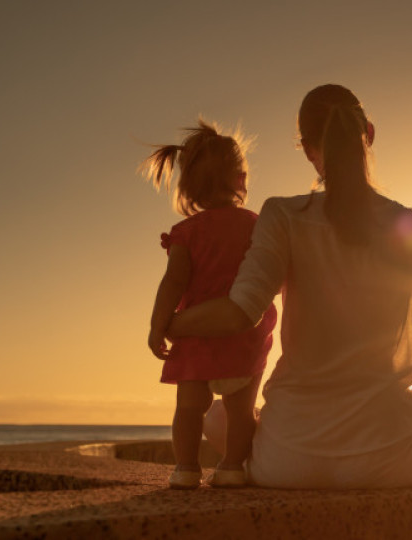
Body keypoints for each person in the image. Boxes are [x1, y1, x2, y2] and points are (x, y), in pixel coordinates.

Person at [167, 84, 412, 489]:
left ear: (305, 148)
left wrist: (170, 324)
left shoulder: (280, 215)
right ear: (368, 134)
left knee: (218, 416)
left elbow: (240, 311)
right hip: (386, 463)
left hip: (283, 463)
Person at [143, 120, 277, 489]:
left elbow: (174, 282)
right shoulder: (257, 225)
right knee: (240, 410)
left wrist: (158, 325)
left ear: (189, 187)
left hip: (197, 333)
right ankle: (233, 467)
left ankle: (186, 469)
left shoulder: (187, 232)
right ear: (240, 178)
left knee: (189, 409)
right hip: (244, 334)